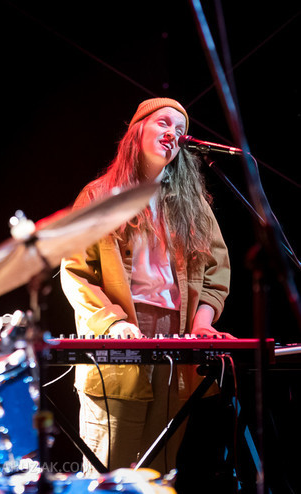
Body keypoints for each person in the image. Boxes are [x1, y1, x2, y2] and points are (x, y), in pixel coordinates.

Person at [59, 98, 232, 477]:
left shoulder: (193, 206)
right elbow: (75, 271)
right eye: (163, 124)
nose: (172, 134)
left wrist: (203, 323)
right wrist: (112, 323)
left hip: (177, 340)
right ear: (137, 131)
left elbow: (217, 272)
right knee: (111, 470)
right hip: (119, 335)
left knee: (159, 470)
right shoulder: (98, 196)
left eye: (179, 130)